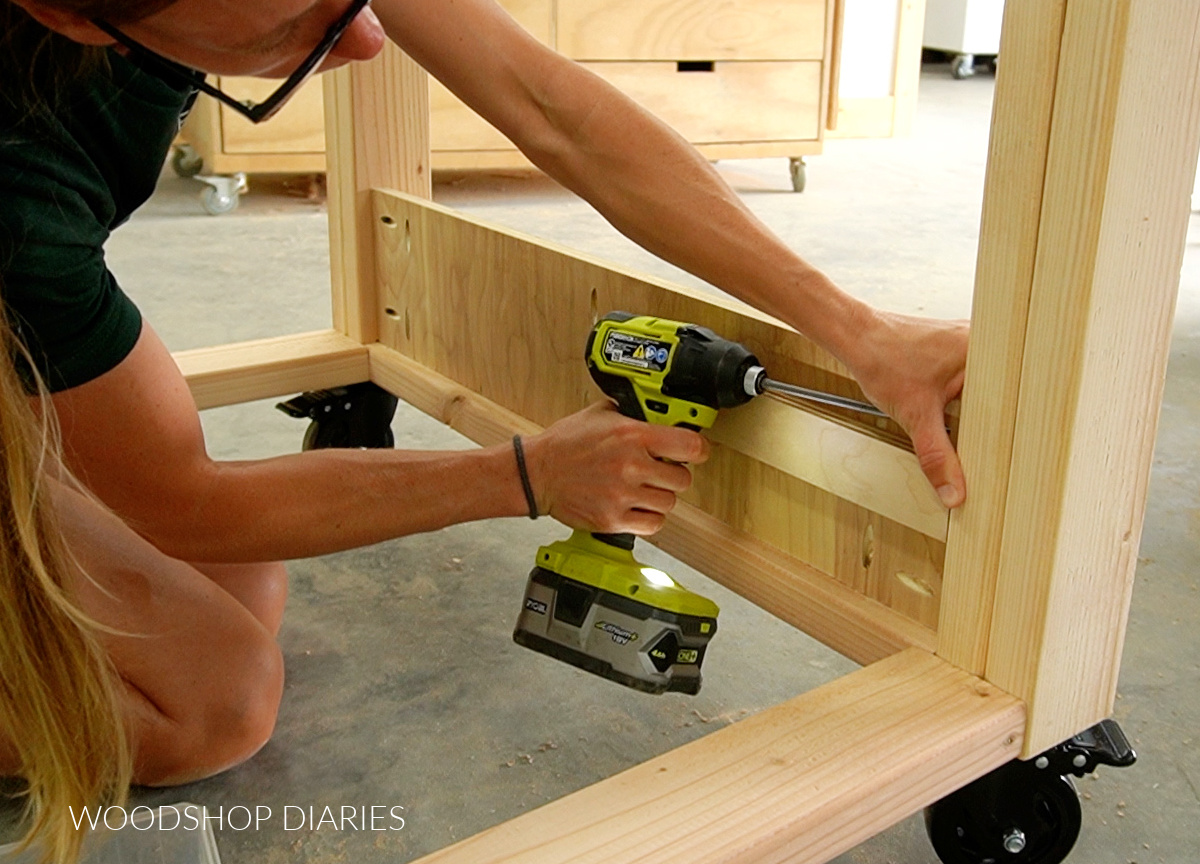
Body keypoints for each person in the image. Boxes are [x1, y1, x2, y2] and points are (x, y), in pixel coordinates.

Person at [0, 0, 969, 858]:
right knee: (214, 709)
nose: (373, 39)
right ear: (73, 16)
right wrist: (521, 476)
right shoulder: (17, 189)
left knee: (244, 582)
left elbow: (553, 109)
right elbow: (187, 503)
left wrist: (856, 330)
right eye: (292, 32)